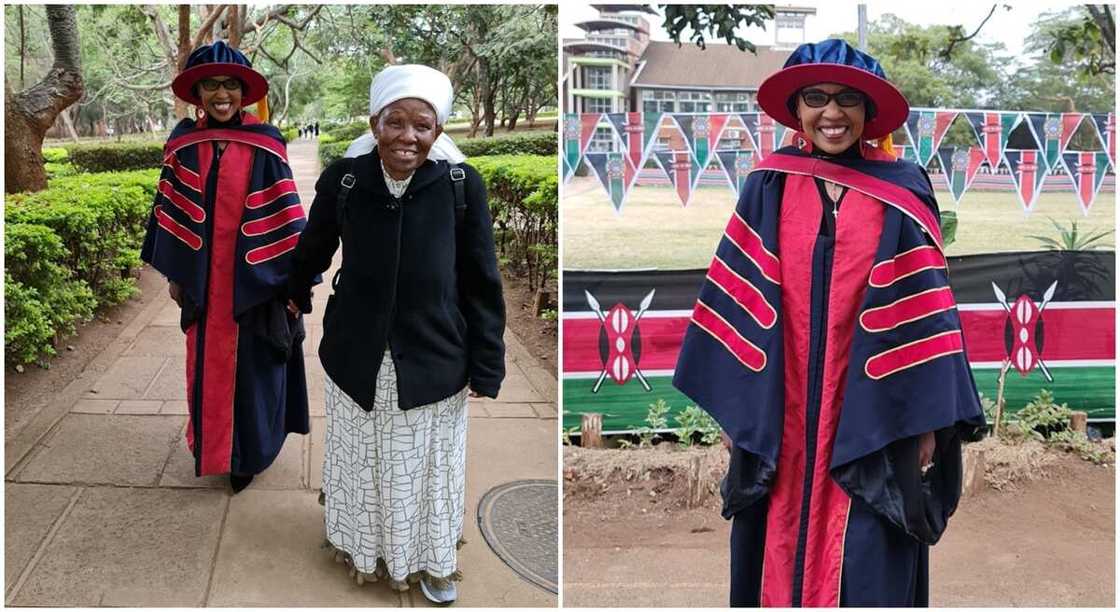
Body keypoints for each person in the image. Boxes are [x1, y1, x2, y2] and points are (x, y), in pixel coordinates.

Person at [673, 39, 985, 607]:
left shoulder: (904, 191)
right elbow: (735, 303)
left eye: (847, 99)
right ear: (797, 109)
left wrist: (924, 423)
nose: (831, 113)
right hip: (780, 415)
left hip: (874, 416)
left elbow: (927, 313)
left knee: (868, 559)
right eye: (815, 97)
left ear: (869, 112)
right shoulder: (767, 185)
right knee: (775, 547)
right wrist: (737, 412)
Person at [285, 64, 505, 605]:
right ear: (375, 123)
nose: (408, 137)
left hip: (435, 356)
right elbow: (314, 247)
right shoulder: (347, 178)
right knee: (362, 457)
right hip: (356, 352)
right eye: (396, 122)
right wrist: (293, 292)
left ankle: (431, 560)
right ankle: (362, 546)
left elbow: (482, 278)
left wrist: (488, 362)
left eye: (422, 126)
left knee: (426, 466)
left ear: (439, 131)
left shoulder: (460, 184)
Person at [140, 41, 310, 494]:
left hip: (253, 285)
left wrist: (292, 282)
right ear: (198, 93)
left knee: (255, 372)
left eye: (230, 85)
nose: (221, 94)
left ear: (243, 92)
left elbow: (286, 215)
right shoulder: (182, 144)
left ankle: (246, 456)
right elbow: (170, 212)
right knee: (205, 367)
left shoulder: (267, 143)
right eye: (211, 84)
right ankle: (213, 446)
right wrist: (177, 275)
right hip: (204, 287)